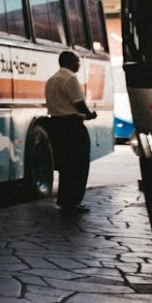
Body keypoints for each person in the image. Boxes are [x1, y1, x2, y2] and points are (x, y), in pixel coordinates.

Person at [44, 51, 97, 214]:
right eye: (77, 61)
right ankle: (73, 202)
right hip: (72, 126)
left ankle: (63, 200)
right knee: (79, 165)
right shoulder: (70, 79)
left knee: (66, 166)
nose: (79, 65)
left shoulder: (51, 80)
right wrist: (90, 115)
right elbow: (78, 103)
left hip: (56, 125)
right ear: (69, 62)